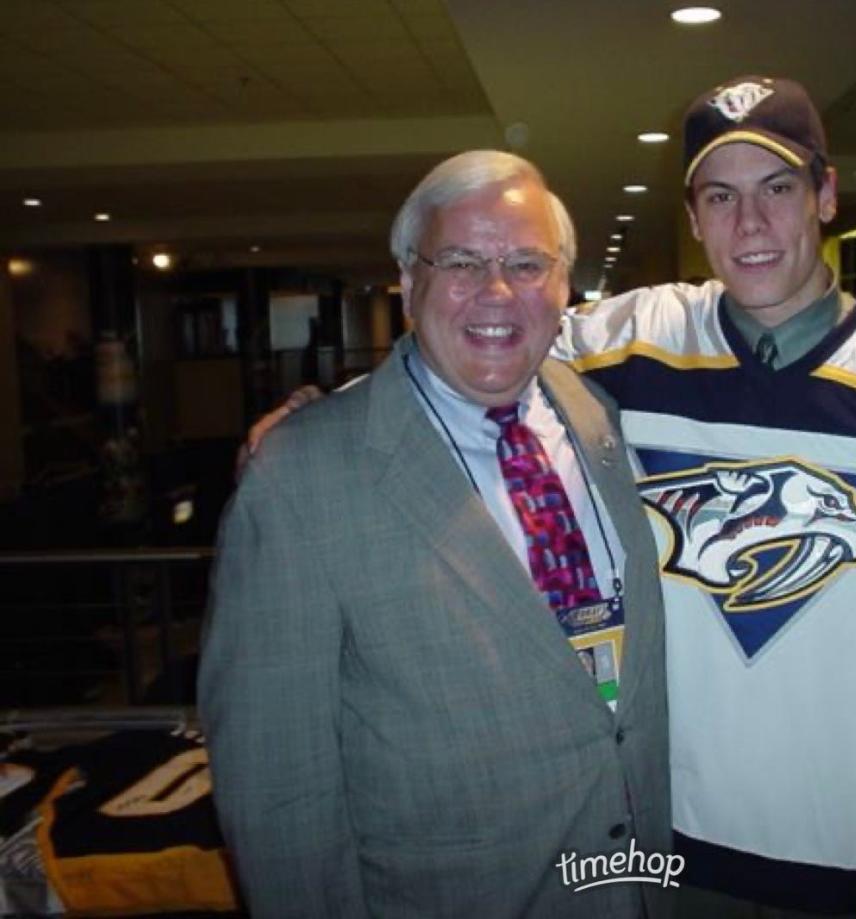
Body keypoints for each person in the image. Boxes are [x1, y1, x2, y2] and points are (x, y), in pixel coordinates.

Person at [248, 76, 856, 919]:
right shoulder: (639, 342)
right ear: (693, 219)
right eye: (720, 197)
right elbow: (483, 343)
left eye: (778, 190)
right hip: (671, 843)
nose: (751, 224)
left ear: (826, 196)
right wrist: (328, 413)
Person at [199, 151, 671, 918]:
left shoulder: (594, 415)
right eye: (460, 260)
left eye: (526, 262)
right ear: (406, 277)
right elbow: (276, 786)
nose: (497, 291)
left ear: (562, 286)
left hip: (633, 886)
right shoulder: (299, 477)